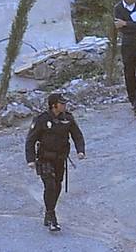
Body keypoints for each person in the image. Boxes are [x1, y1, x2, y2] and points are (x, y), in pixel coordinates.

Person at [25, 92, 85, 233]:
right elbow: (31, 140)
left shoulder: (68, 118)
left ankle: (48, 211)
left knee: (57, 186)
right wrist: (31, 159)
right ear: (54, 105)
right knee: (50, 185)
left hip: (60, 158)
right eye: (62, 103)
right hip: (45, 158)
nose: (64, 105)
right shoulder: (41, 120)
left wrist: (80, 150)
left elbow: (77, 135)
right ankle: (52, 217)